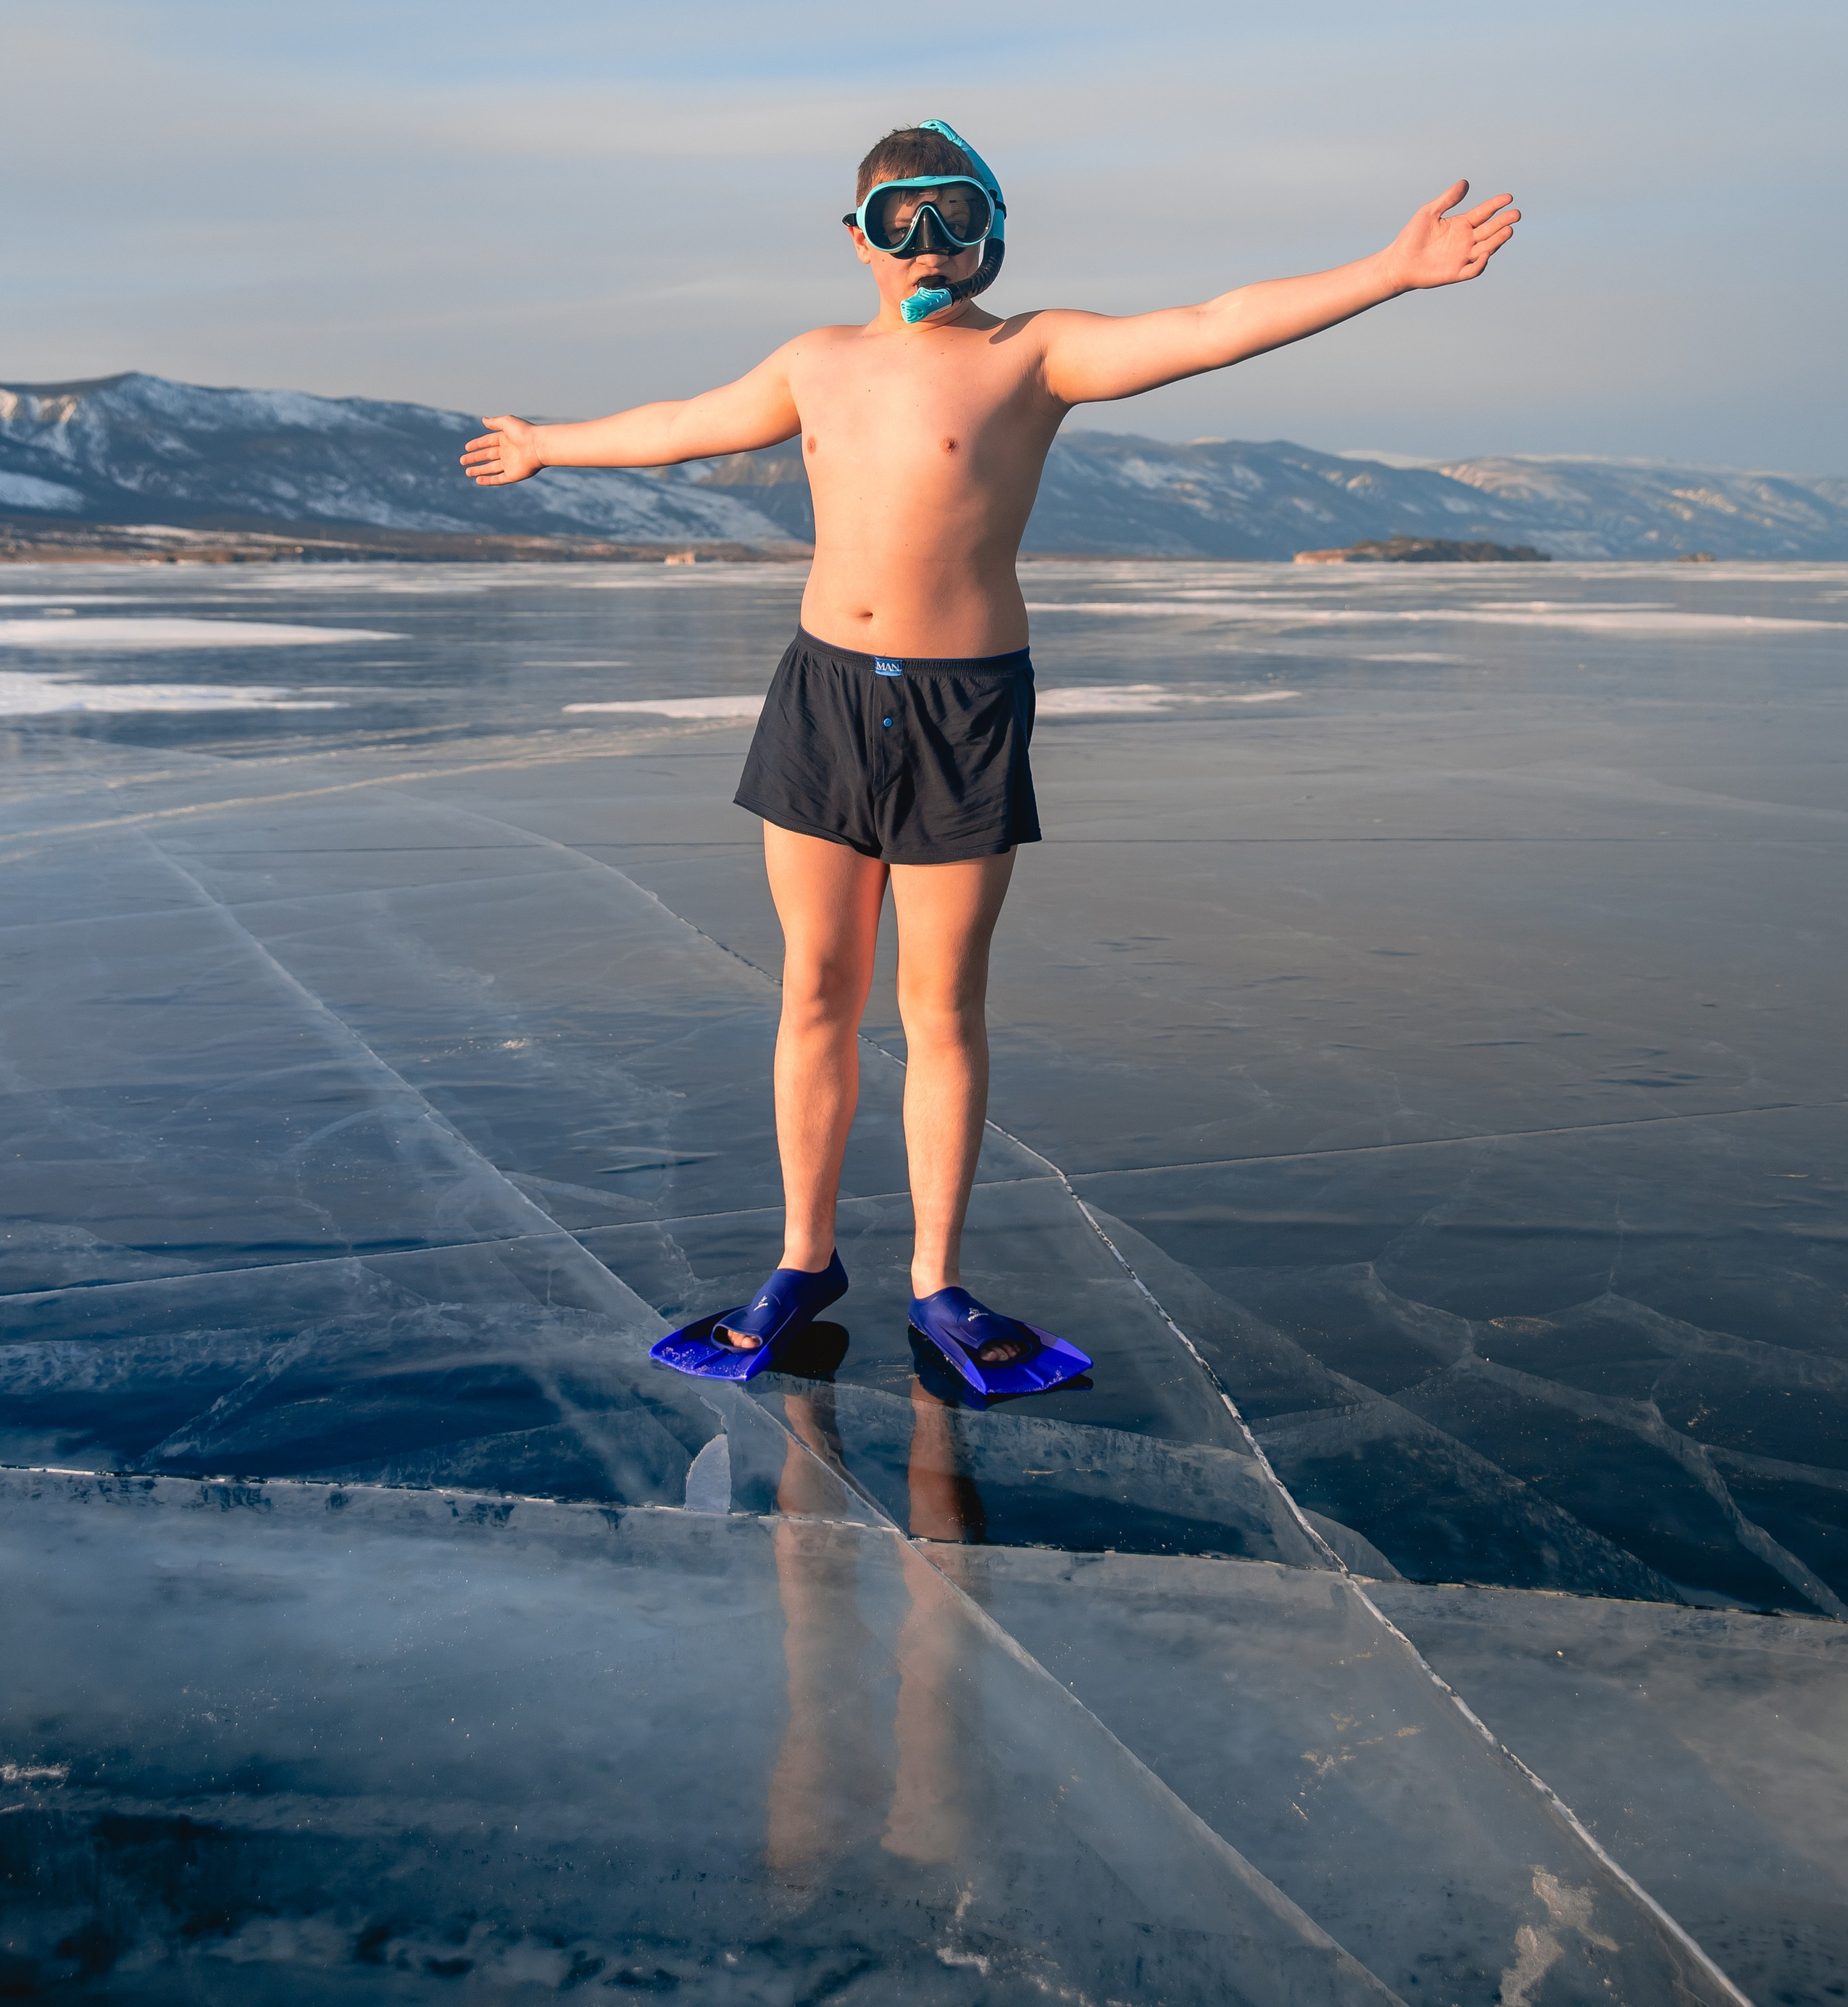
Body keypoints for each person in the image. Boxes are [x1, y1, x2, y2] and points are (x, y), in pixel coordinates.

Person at [460, 122, 1518, 1393]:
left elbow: (1216, 321)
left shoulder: (1038, 351)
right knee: (815, 991)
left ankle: (938, 1279)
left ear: (993, 233)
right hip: (822, 700)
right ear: (857, 237)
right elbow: (685, 422)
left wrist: (1386, 271)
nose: (928, 245)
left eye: (953, 216)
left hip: (964, 710)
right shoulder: (818, 360)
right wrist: (545, 442)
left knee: (940, 1006)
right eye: (901, 218)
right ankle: (803, 1260)